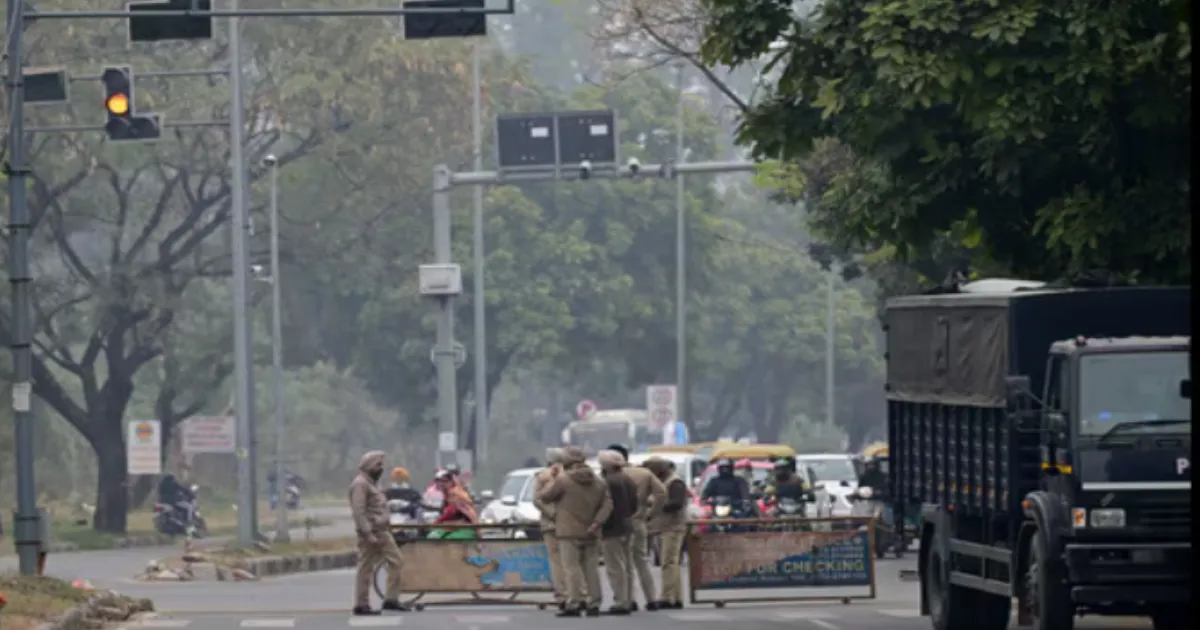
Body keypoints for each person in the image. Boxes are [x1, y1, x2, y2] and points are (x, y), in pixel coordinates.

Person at [537, 446, 613, 618]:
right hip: (592, 531)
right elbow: (608, 505)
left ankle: (574, 603)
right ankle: (594, 603)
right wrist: (596, 523)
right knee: (591, 568)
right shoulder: (599, 482)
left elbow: (545, 496)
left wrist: (553, 479)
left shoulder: (563, 480)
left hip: (568, 530)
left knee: (571, 568)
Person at [607, 444, 666, 612]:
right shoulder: (644, 473)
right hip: (639, 521)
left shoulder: (611, 476)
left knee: (623, 563)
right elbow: (661, 493)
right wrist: (651, 513)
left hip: (619, 523)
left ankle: (628, 599)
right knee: (642, 561)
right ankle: (651, 598)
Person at [348, 450, 407, 615]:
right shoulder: (360, 484)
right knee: (366, 567)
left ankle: (391, 599)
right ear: (369, 465)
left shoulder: (373, 484)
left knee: (396, 561)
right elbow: (358, 511)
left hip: (382, 531)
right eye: (378, 465)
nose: (381, 469)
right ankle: (362, 604)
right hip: (370, 532)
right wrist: (367, 533)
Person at [597, 449, 637, 615]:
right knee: (627, 565)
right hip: (627, 526)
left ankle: (620, 601)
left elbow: (607, 505)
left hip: (612, 528)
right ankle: (628, 598)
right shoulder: (627, 479)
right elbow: (634, 503)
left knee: (615, 567)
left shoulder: (608, 482)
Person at [645, 456, 687, 610]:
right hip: (665, 527)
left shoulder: (675, 482)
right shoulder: (667, 481)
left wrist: (655, 505)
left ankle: (668, 597)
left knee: (668, 563)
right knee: (670, 563)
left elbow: (676, 503)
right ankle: (676, 597)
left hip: (673, 527)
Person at [533, 448, 568, 609]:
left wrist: (551, 514)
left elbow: (537, 500)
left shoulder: (542, 476)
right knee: (572, 560)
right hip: (569, 523)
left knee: (555, 560)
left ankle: (561, 594)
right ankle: (576, 593)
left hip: (550, 524)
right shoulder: (570, 475)